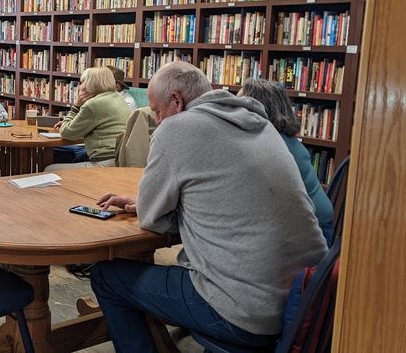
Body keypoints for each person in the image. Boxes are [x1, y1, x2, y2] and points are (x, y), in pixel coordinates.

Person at [90, 62, 327, 351]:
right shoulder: (260, 124)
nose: (158, 121)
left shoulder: (175, 129)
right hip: (308, 303)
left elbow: (152, 220)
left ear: (176, 101)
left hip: (247, 314)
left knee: (106, 276)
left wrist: (151, 205)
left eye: (157, 111)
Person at [239, 78, 334, 243]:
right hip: (315, 220)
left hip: (314, 232)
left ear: (258, 109)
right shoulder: (283, 137)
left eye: (239, 105)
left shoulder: (273, 145)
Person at [45, 66, 131, 171]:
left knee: (49, 170)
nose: (81, 87)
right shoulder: (118, 97)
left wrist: (77, 106)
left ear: (90, 83)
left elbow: (66, 133)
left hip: (104, 163)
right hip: (120, 159)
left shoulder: (93, 104)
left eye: (82, 82)